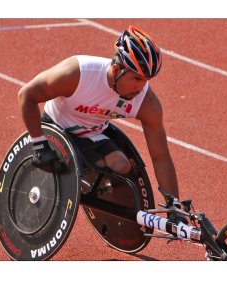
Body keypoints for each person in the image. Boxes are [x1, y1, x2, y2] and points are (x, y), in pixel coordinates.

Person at [18, 25, 187, 224]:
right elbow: (26, 95)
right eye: (136, 78)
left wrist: (173, 205)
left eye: (146, 80)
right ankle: (70, 177)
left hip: (90, 134)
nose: (141, 88)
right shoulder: (78, 74)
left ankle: (90, 192)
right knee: (74, 163)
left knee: (123, 165)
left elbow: (161, 156)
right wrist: (39, 144)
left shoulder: (146, 102)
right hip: (56, 126)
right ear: (116, 69)